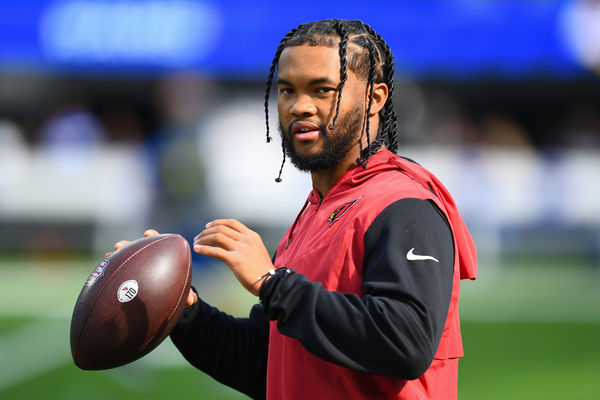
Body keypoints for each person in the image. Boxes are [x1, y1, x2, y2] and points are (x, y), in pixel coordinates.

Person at [115, 19, 477, 400]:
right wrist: (180, 306)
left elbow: (406, 342)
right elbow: (267, 361)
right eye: (287, 90)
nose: (300, 106)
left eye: (322, 90)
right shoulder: (314, 211)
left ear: (375, 98)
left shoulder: (403, 205)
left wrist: (272, 283)